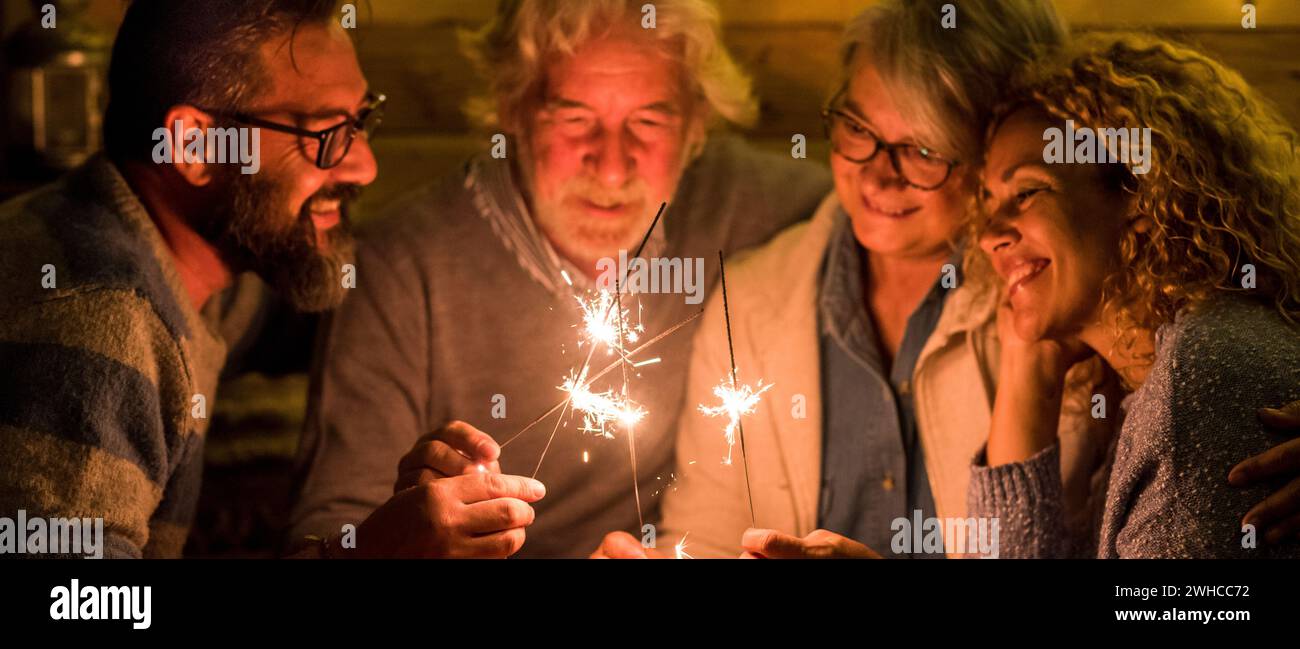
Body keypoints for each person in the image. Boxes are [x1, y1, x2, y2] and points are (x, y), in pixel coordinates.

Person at [594, 0, 1300, 560]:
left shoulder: (1116, 332)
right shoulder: (752, 296)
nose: (878, 171)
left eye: (924, 149)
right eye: (856, 127)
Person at [287, 0, 831, 557]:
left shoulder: (761, 207)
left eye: (648, 121)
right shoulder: (399, 270)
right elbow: (323, 537)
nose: (613, 166)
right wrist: (406, 542)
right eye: (574, 118)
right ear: (513, 110)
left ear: (696, 127)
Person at [0, 0, 383, 557]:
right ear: (195, 146)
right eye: (326, 133)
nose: (363, 165)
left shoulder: (194, 266)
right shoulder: (95, 327)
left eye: (362, 119)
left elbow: (314, 310)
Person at [969, 32, 1300, 558]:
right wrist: (1025, 360)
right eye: (988, 204)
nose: (989, 234)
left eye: (1027, 191)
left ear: (1141, 196)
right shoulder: (1153, 379)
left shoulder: (1201, 378)